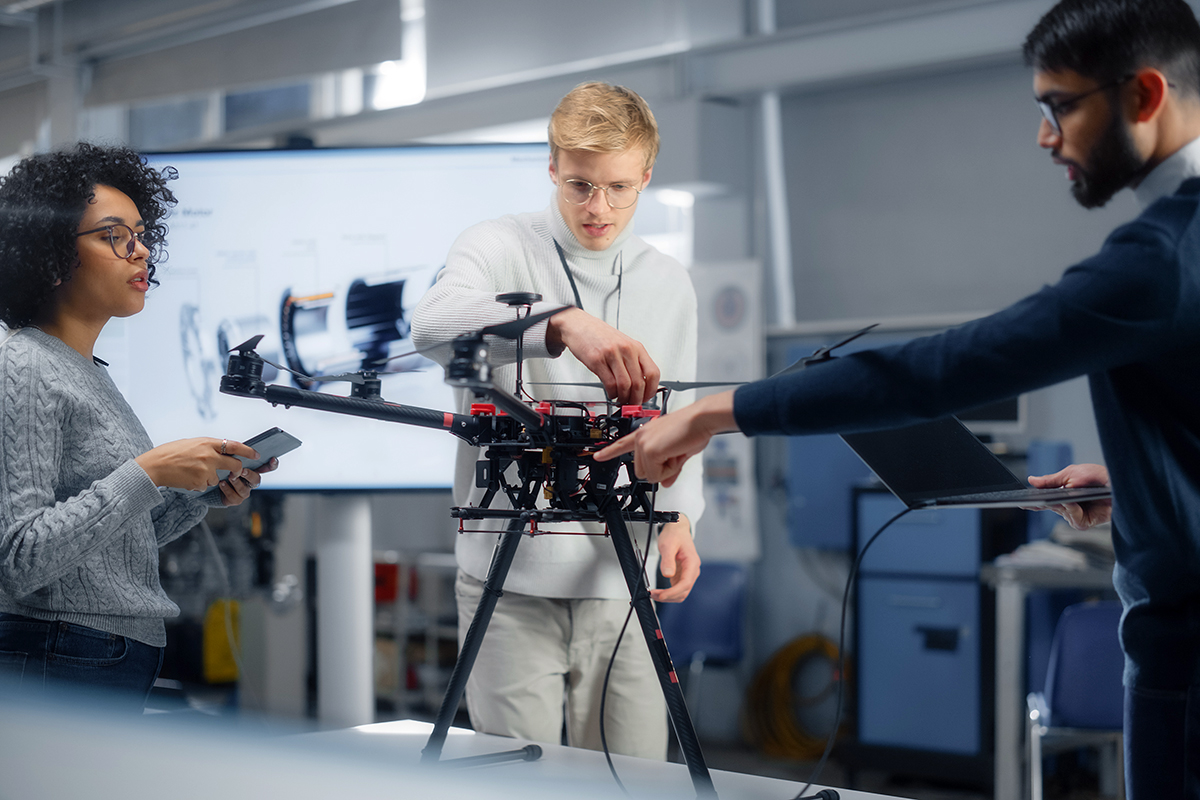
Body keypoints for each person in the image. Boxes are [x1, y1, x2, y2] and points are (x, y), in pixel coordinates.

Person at [598, 0, 1200, 795]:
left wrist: (717, 411)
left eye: (1059, 106)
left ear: (1144, 96)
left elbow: (941, 370)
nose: (1045, 136)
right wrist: (1139, 491)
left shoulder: (1160, 260)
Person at [410, 81, 705, 759]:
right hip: (510, 584)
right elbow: (429, 324)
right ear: (551, 168)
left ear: (646, 177)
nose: (598, 208)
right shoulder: (495, 245)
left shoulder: (668, 281)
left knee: (635, 780)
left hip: (623, 582)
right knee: (518, 780)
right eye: (578, 185)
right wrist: (562, 324)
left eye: (619, 188)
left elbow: (679, 422)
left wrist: (681, 518)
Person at [0, 142, 277, 712]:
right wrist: (145, 471)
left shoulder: (87, 372)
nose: (141, 252)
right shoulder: (25, 364)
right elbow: (20, 559)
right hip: (61, 651)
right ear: (50, 256)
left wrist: (196, 497)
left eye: (141, 234)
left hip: (100, 652)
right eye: (114, 236)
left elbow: (107, 549)